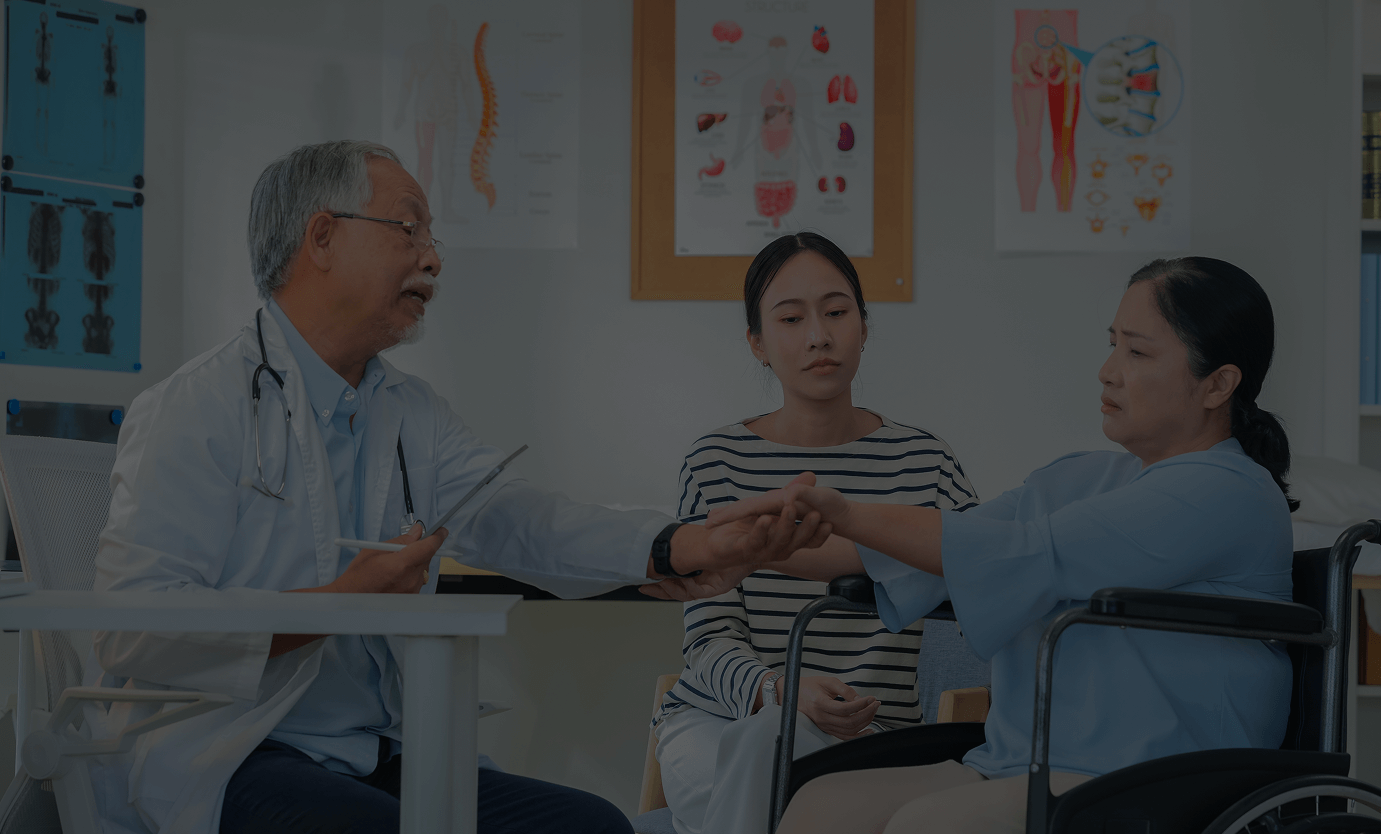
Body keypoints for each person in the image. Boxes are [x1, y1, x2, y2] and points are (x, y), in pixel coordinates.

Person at [84, 140, 828, 834]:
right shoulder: (194, 409)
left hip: (384, 755)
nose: (433, 259)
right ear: (321, 239)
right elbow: (134, 627)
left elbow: (517, 519)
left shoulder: (408, 411)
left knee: (592, 826)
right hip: (237, 752)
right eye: (408, 230)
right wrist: (339, 606)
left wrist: (683, 542)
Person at [709, 257, 1299, 833]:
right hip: (1017, 765)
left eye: (1137, 352)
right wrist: (732, 549)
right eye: (1112, 343)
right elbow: (905, 553)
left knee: (928, 826)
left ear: (1219, 383)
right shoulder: (1083, 478)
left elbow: (1024, 552)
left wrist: (847, 511)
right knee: (822, 807)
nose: (1108, 370)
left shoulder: (1228, 492)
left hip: (1157, 777)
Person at [651, 233, 983, 833]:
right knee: (757, 754)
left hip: (871, 733)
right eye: (790, 318)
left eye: (836, 312)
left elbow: (986, 580)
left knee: (769, 780)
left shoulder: (924, 461)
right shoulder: (716, 461)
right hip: (721, 718)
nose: (818, 336)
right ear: (757, 342)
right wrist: (779, 690)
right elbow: (708, 633)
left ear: (863, 325)